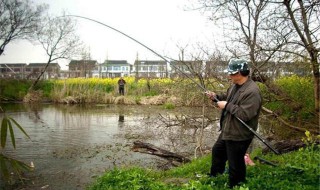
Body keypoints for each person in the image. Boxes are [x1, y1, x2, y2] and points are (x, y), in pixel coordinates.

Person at [205, 58, 262, 188]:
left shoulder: (252, 91)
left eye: (231, 73)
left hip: (240, 133)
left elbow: (245, 114)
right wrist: (215, 97)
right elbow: (227, 99)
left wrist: (226, 106)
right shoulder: (234, 86)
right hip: (228, 129)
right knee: (218, 151)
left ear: (240, 73)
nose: (229, 75)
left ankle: (236, 184)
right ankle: (215, 177)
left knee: (235, 163)